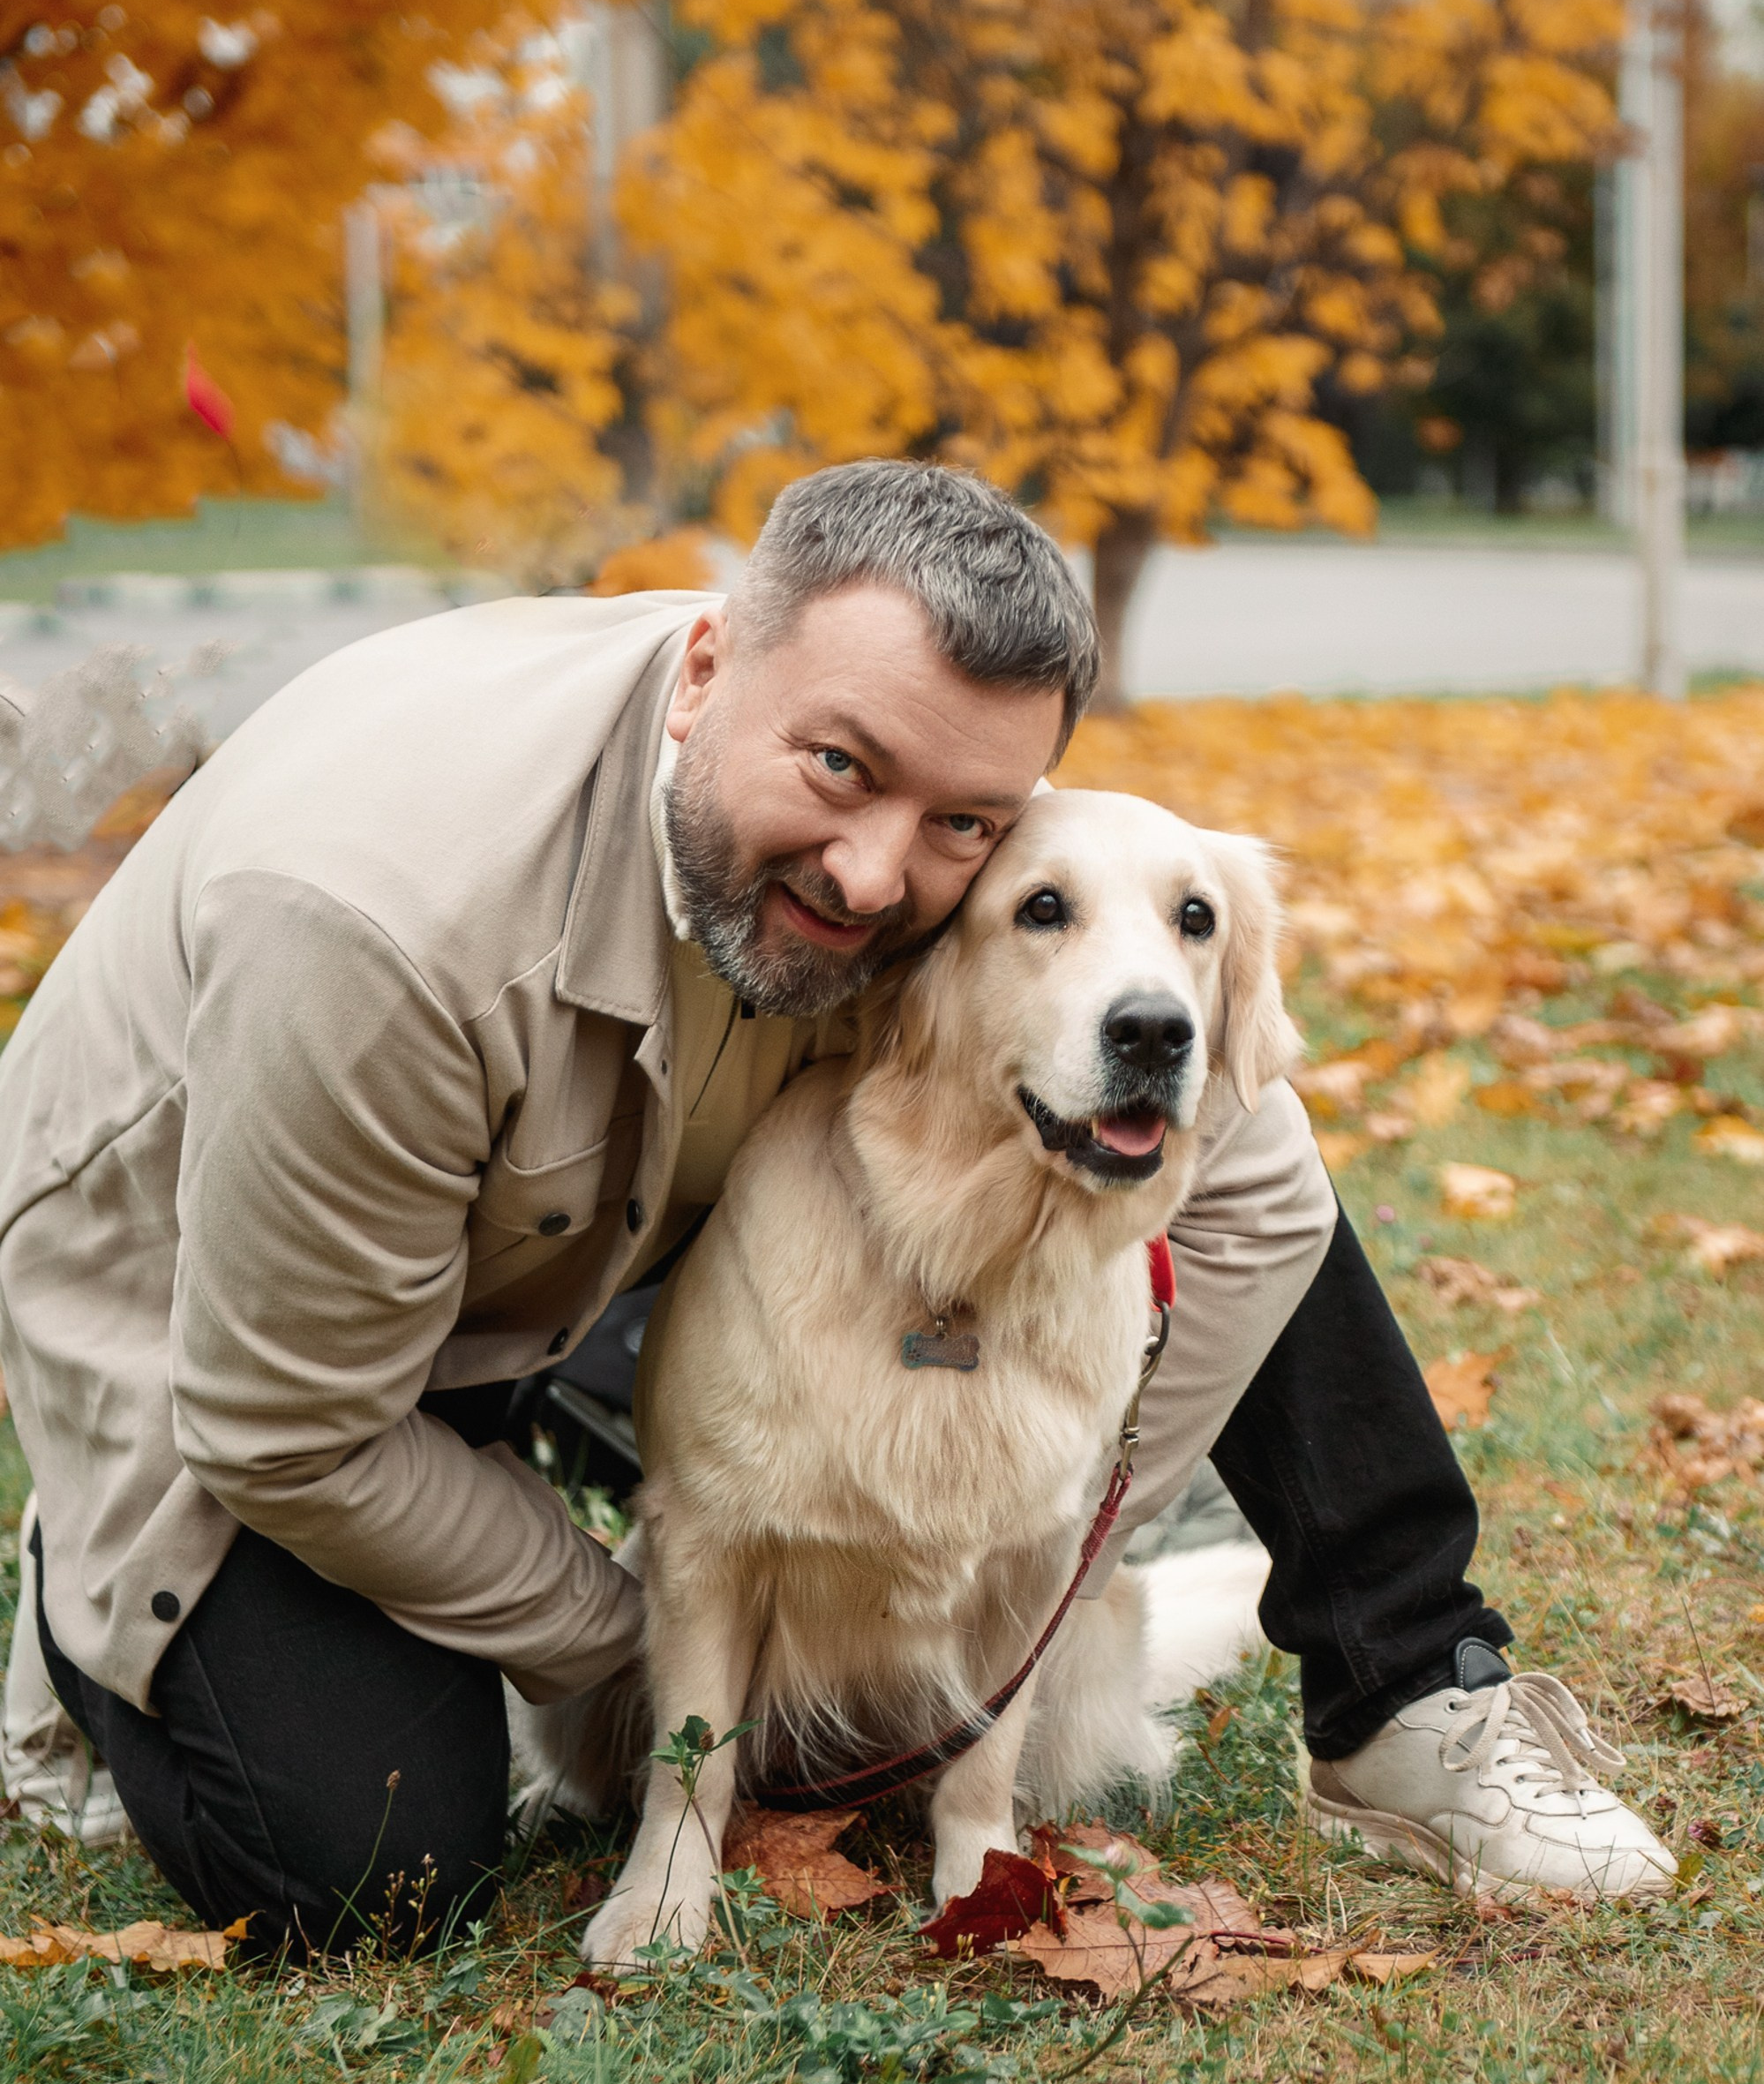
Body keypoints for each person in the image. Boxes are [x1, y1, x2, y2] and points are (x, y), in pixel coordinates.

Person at [0, 461, 1672, 1954]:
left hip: (581, 1244)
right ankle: (81, 1615)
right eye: (839, 769)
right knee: (370, 1858)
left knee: (1168, 1129)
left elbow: (1243, 1166)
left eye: (958, 820)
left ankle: (1414, 1686)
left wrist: (1018, 1548)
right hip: (227, 1337)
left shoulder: (893, 823)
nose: (875, 876)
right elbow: (281, 1422)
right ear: (708, 666)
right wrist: (645, 1633)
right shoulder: (372, 923)